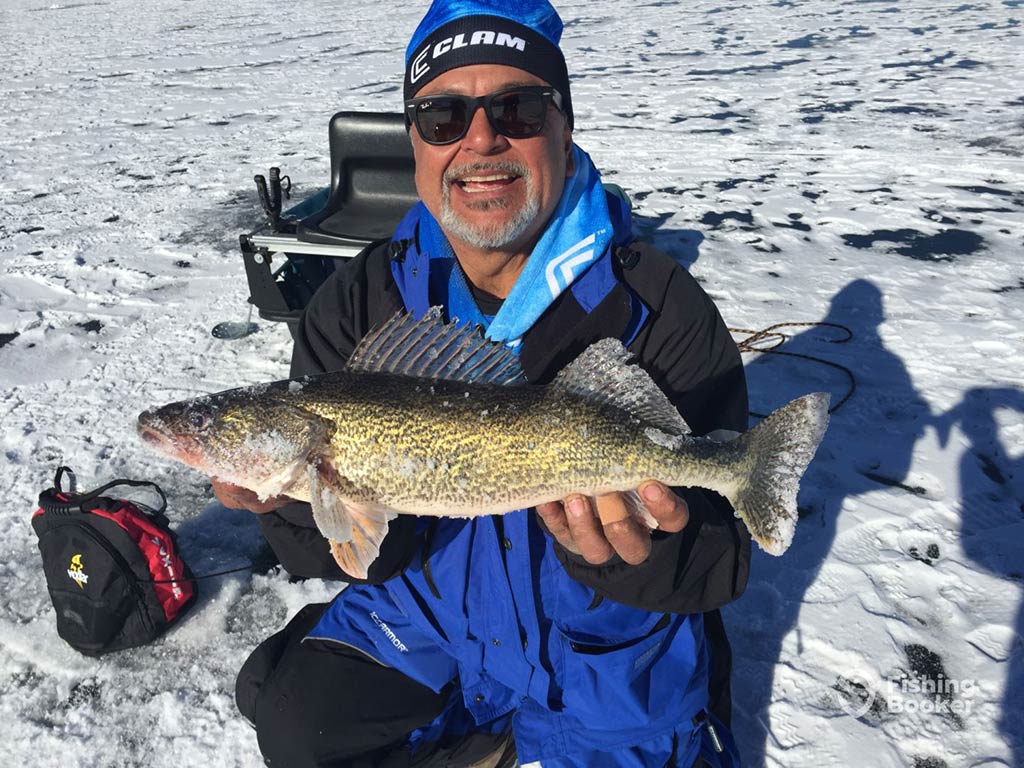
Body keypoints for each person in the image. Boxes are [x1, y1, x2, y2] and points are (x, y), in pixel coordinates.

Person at [221, 1, 751, 765]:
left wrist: (630, 553)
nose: (480, 139)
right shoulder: (359, 301)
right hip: (432, 613)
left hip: (604, 648)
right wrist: (291, 504)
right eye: (442, 116)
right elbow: (335, 551)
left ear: (564, 128)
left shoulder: (657, 307)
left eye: (518, 109)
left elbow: (720, 560)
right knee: (300, 720)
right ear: (415, 142)